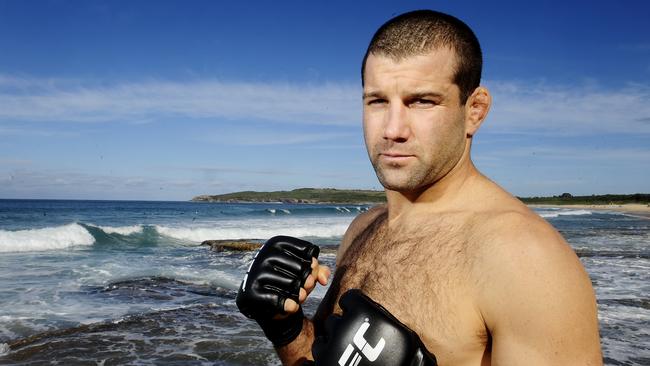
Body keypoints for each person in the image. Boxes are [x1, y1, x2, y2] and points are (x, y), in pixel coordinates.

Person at [236, 9, 602, 365]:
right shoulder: (363, 227)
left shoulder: (525, 259)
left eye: (422, 101)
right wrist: (285, 327)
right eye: (377, 101)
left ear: (474, 110)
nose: (393, 129)